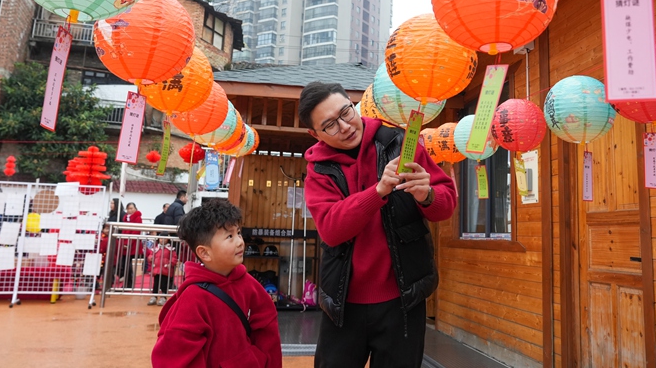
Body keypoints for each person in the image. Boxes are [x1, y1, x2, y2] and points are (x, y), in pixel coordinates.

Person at [299, 81, 457, 368]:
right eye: (330, 125)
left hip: (403, 300)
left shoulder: (399, 143)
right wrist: (378, 191)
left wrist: (427, 195)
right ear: (315, 134)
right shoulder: (319, 169)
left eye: (346, 113)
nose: (345, 127)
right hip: (342, 304)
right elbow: (332, 230)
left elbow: (445, 204)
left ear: (353, 104)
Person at [151, 199, 282, 368]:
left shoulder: (249, 283)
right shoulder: (193, 297)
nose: (240, 241)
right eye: (229, 236)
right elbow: (171, 357)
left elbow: (267, 331)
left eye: (239, 233)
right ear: (204, 253)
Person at [117, 202, 143, 289]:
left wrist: (128, 243)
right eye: (128, 209)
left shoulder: (137, 218)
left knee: (127, 265)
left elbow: (136, 231)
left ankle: (128, 284)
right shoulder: (126, 218)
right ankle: (127, 283)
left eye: (131, 208)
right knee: (125, 265)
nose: (129, 210)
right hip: (126, 243)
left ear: (135, 208)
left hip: (132, 245)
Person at [148, 238, 178, 306]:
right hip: (157, 269)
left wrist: (171, 263)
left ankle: (163, 297)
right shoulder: (156, 248)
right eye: (161, 239)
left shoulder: (170, 249)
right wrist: (150, 258)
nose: (162, 240)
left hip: (165, 269)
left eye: (165, 239)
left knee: (164, 284)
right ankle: (154, 297)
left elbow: (174, 258)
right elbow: (150, 255)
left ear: (168, 240)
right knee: (155, 284)